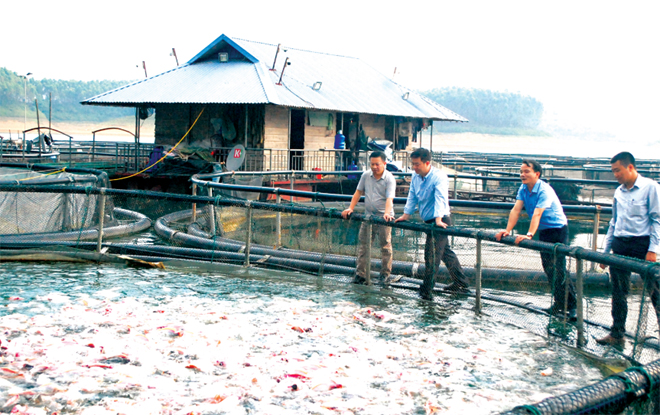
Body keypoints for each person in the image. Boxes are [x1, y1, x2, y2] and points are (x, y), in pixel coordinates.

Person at [495, 160, 577, 319]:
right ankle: (559, 303)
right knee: (548, 267)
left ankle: (572, 307)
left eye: (526, 172)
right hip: (544, 230)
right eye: (521, 171)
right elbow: (516, 209)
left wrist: (529, 234)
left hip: (557, 229)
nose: (522, 175)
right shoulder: (523, 188)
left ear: (537, 174)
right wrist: (507, 230)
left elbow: (538, 213)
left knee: (558, 268)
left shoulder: (544, 190)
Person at [596, 152, 660, 349]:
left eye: (617, 170)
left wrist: (653, 249)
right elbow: (614, 222)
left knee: (655, 290)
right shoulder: (618, 192)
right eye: (613, 171)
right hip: (620, 244)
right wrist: (606, 251)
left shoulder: (651, 188)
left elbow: (657, 219)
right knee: (618, 291)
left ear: (630, 167)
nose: (615, 174)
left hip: (642, 244)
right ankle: (617, 333)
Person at [394, 148, 469, 300]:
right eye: (413, 164)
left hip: (440, 220)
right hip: (428, 220)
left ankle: (426, 290)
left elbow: (440, 198)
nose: (414, 168)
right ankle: (461, 282)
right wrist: (406, 215)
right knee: (445, 253)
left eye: (417, 164)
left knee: (431, 255)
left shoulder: (439, 176)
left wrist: (438, 220)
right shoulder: (416, 176)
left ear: (427, 163)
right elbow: (412, 196)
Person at [342, 151, 396, 285]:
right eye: (372, 164)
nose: (374, 167)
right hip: (368, 216)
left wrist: (387, 213)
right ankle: (361, 273)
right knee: (364, 245)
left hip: (384, 218)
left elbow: (390, 198)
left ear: (384, 163)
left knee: (385, 246)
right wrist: (351, 208)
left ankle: (385, 274)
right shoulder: (366, 175)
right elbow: (358, 192)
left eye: (377, 164)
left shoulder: (389, 178)